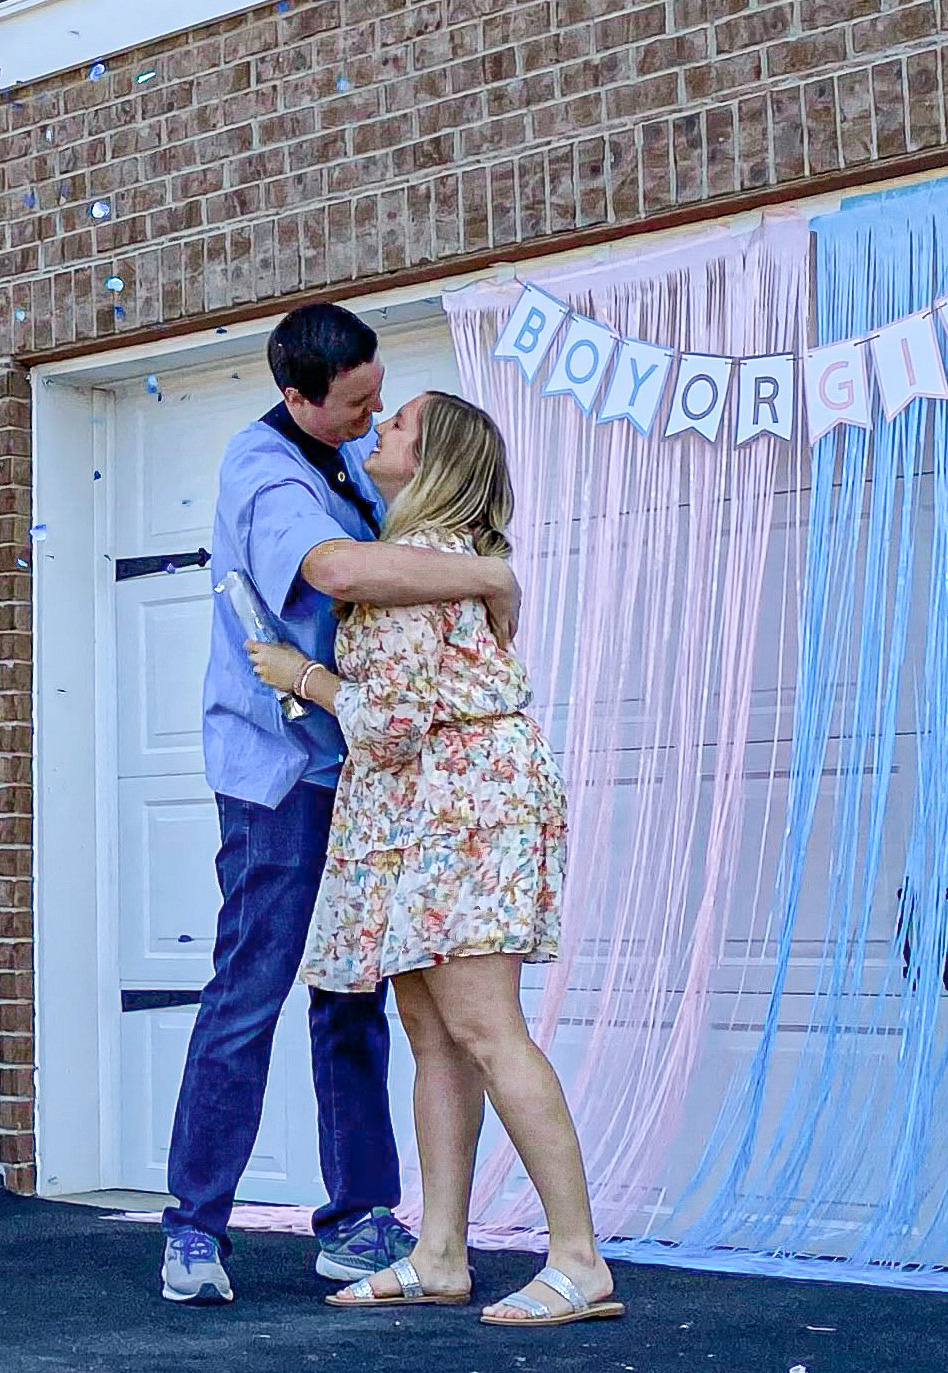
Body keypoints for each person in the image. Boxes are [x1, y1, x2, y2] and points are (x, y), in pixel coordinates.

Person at [160, 305, 521, 1306]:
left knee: (353, 995)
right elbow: (335, 569)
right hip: (279, 771)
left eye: (381, 397)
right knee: (251, 989)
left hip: (363, 767)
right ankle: (194, 1226)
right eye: (356, 405)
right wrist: (489, 571)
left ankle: (360, 1217)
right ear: (297, 398)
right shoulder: (264, 467)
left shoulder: (354, 454)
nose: (373, 419)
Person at [247, 391, 624, 1327]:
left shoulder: (432, 570)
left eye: (401, 425)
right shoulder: (422, 564)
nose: (380, 432)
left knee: (485, 1023)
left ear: (438, 462)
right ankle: (440, 1252)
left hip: (464, 802)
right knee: (427, 1025)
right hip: (418, 806)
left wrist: (307, 678)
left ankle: (579, 1260)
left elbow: (394, 717)